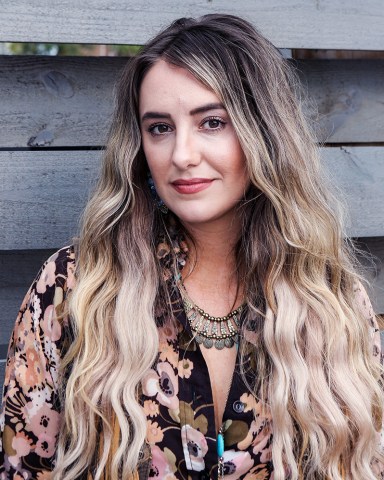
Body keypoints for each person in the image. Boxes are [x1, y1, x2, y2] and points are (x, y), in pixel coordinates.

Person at [0, 13, 383, 480]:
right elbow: (25, 468)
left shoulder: (332, 299)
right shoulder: (75, 287)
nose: (182, 154)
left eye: (212, 122)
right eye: (159, 127)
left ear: (264, 132)